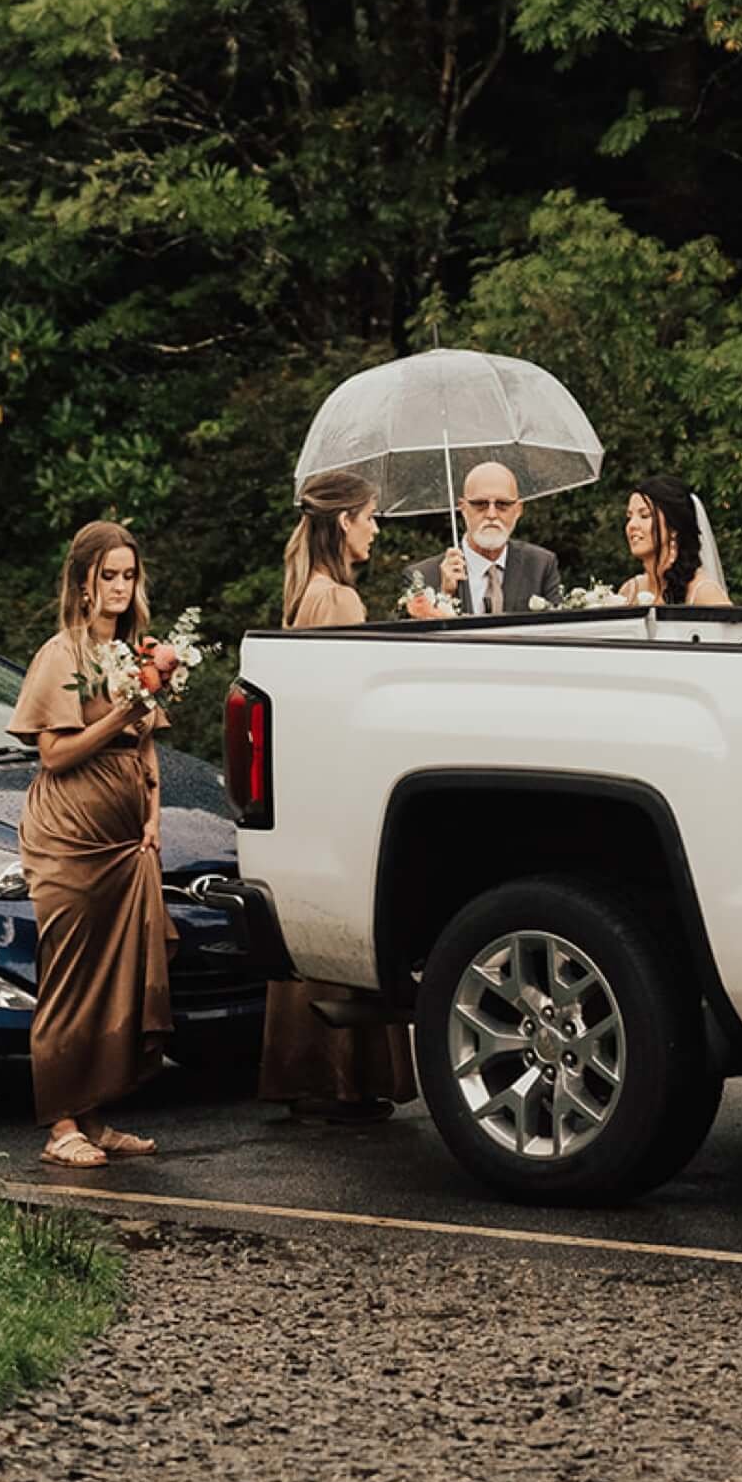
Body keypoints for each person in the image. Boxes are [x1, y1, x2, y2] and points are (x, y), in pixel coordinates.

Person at [7, 519, 177, 1168]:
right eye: (108, 574)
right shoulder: (62, 654)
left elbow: (148, 745)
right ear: (84, 582)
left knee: (115, 979)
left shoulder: (140, 652)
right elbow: (54, 754)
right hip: (69, 837)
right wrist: (118, 716)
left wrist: (154, 816)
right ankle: (58, 1126)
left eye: (128, 575)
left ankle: (95, 1117)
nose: (119, 586)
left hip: (126, 841)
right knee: (71, 977)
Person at [258, 469, 418, 1123]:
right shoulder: (340, 602)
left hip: (304, 781)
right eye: (371, 516)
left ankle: (314, 1074)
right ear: (345, 521)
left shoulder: (305, 594)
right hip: (338, 781)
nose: (377, 528)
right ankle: (344, 1080)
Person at [406, 460, 564, 616]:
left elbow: (559, 632)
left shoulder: (540, 566)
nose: (491, 514)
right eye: (480, 504)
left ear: (518, 510)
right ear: (463, 508)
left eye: (502, 504)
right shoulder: (423, 577)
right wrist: (445, 595)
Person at [619, 475, 732, 607]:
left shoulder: (704, 593)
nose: (631, 525)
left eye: (644, 515)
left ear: (673, 527)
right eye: (629, 517)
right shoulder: (630, 591)